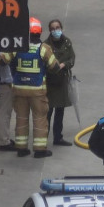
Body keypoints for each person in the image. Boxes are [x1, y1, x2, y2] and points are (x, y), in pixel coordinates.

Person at [0, 17, 64, 158]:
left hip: (19, 89)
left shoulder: (17, 47)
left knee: (21, 118)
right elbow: (55, 67)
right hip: (37, 91)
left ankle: (21, 148)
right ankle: (40, 150)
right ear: (39, 32)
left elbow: (2, 60)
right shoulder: (44, 49)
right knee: (40, 119)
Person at [44, 19, 75, 147]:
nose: (56, 30)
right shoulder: (45, 45)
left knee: (60, 110)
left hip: (62, 80)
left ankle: (58, 137)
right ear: (50, 30)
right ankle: (43, 138)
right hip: (50, 81)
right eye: (53, 28)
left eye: (57, 27)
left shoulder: (67, 42)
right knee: (48, 111)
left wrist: (64, 65)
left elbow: (71, 58)